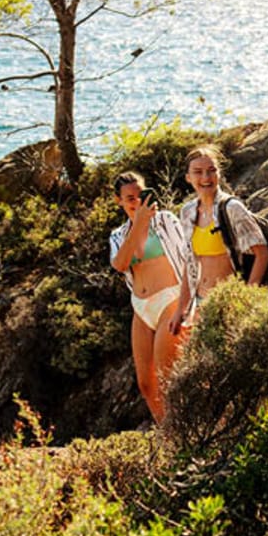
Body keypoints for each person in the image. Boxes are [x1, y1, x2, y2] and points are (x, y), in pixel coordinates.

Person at [108, 171, 192, 423]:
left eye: (140, 195)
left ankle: (187, 430)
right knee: (146, 384)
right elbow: (120, 264)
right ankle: (168, 435)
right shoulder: (117, 235)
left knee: (168, 375)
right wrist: (139, 223)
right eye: (129, 198)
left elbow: (190, 259)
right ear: (119, 201)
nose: (136, 202)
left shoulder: (166, 221)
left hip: (171, 299)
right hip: (141, 308)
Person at [177, 145, 268, 321]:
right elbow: (189, 266)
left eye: (211, 170)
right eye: (198, 172)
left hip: (230, 303)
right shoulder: (187, 212)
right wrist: (181, 309)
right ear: (188, 178)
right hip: (200, 303)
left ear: (219, 174)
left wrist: (246, 300)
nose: (206, 177)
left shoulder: (232, 208)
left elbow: (262, 253)